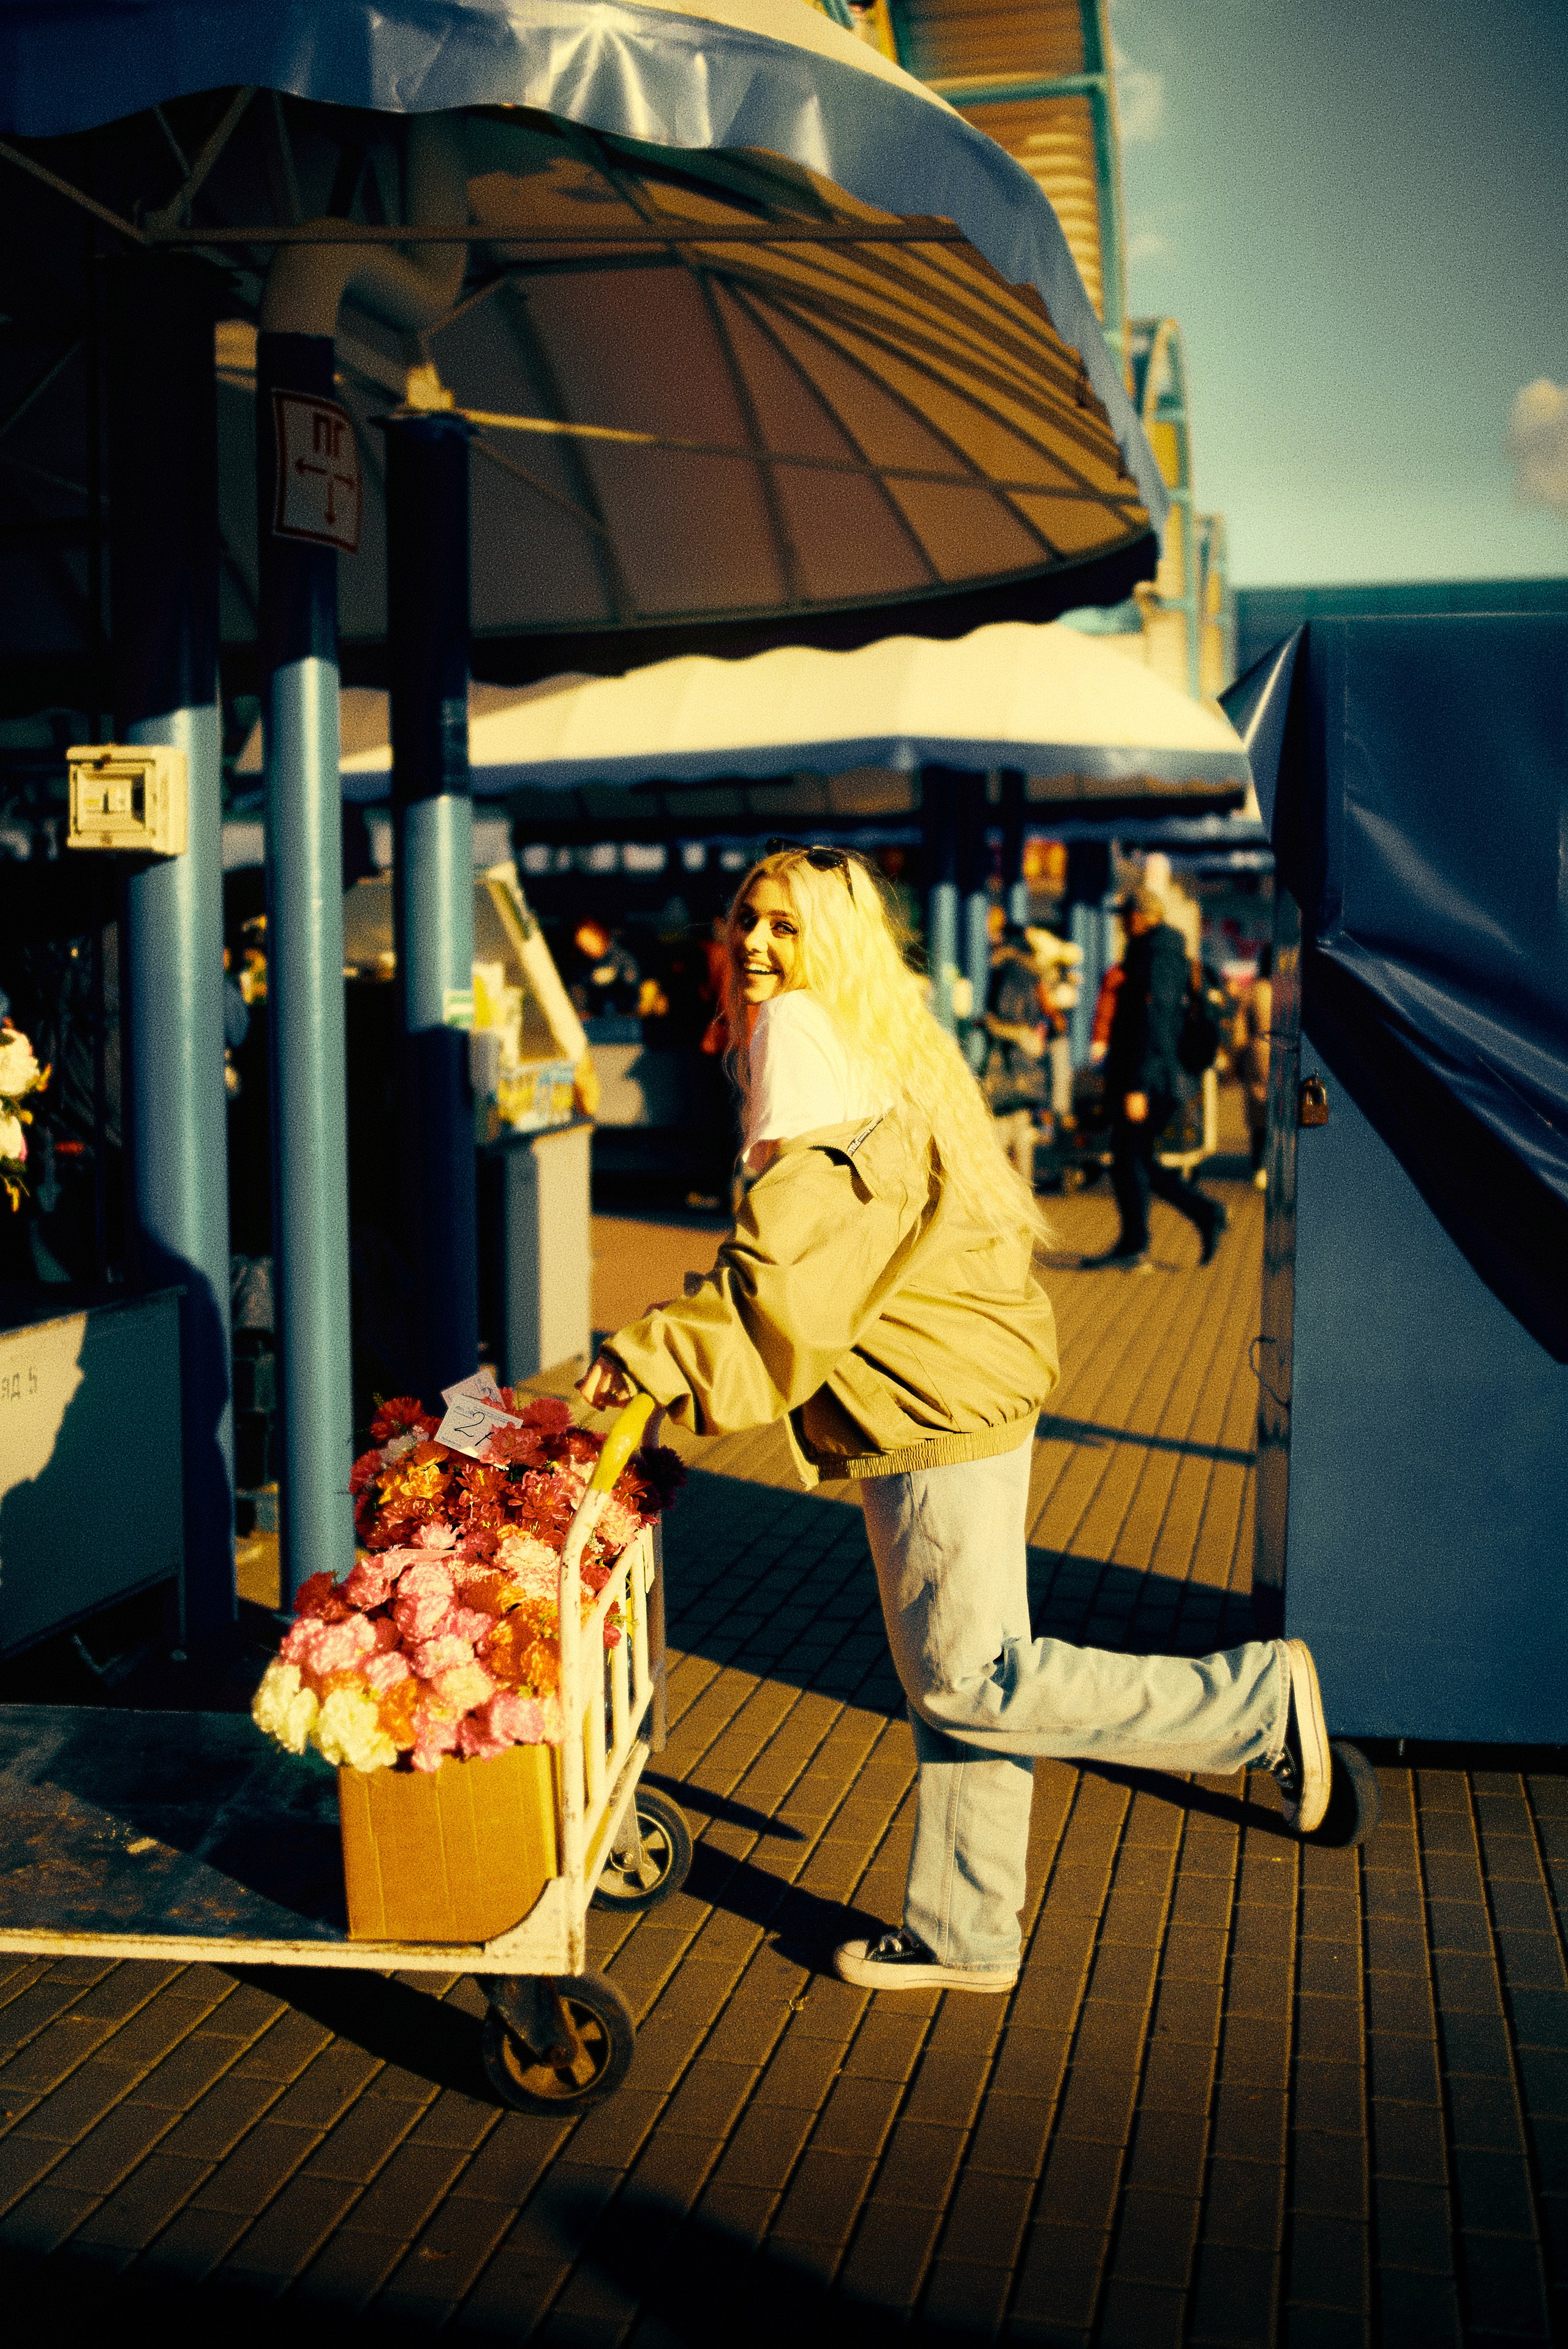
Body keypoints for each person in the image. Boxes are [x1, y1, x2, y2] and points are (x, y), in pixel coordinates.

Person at [576, 844, 1331, 1995]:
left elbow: (792, 1276)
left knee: (969, 1680)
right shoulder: (880, 1025)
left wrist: (647, 1362)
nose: (760, 945)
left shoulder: (799, 1039)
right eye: (748, 922)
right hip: (955, 1372)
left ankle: (1254, 1706)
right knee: (971, 1672)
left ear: (832, 935)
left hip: (934, 1393)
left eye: (785, 925)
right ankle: (966, 1930)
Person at [1093, 885, 1226, 1272]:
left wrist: (1136, 1085)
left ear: (1142, 915)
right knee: (1132, 1159)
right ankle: (1142, 1239)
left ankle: (1147, 1241)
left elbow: (1152, 1024)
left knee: (1132, 1158)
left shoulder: (1158, 954)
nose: (1121, 922)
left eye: (1125, 915)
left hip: (1152, 1080)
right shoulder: (1157, 952)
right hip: (1154, 1076)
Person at [981, 922, 1049, 1183]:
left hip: (1007, 1064)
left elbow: (1006, 1014)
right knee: (1022, 1133)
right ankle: (1024, 1195)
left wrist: (990, 1024)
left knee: (1000, 1135)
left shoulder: (1008, 970)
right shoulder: (1032, 973)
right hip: (1027, 1064)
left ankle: (1007, 1199)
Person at [1238, 944, 1273, 1189]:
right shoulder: (1293, 988)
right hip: (1286, 1056)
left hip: (1258, 1057)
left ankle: (1259, 1165)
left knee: (1259, 1117)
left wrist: (1239, 1060)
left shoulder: (1254, 990)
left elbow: (1239, 1029)